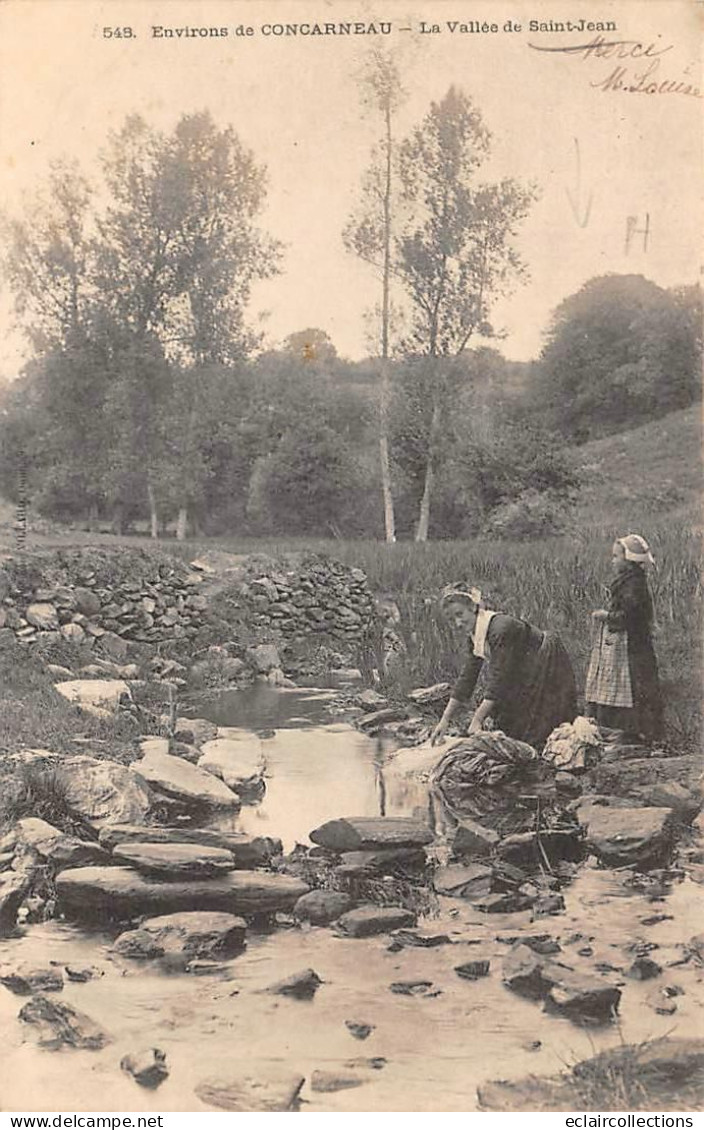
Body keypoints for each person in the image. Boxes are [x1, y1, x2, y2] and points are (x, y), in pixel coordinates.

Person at [430, 584, 577, 748]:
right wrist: (445, 720)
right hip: (523, 668)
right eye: (451, 620)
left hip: (547, 662)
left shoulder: (500, 629)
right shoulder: (474, 634)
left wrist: (478, 719)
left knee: (537, 732)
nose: (457, 623)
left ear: (472, 607)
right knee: (509, 725)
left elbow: (499, 679)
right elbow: (468, 677)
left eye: (459, 614)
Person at [585, 533, 663, 743]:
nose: (613, 561)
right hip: (631, 642)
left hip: (633, 644)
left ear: (629, 561)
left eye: (616, 557)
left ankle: (641, 734)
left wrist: (606, 616)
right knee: (628, 684)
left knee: (634, 685)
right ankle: (634, 732)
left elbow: (631, 617)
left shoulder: (633, 585)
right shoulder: (629, 582)